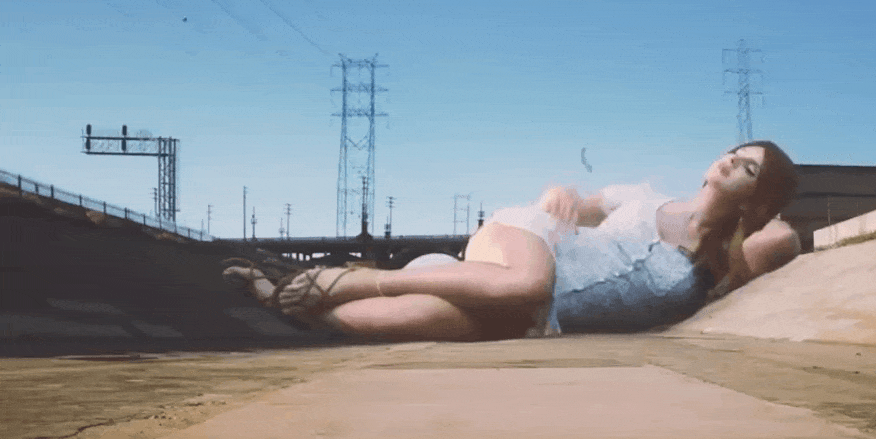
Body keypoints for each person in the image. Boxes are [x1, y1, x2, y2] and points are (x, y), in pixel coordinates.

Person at [223, 140, 800, 342]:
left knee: (433, 320)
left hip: (534, 311)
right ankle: (351, 278)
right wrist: (561, 189)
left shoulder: (724, 265)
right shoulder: (643, 196)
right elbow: (568, 201)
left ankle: (293, 303)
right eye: (734, 152)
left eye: (748, 168)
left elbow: (786, 239)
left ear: (757, 200)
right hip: (528, 245)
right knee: (529, 281)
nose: (731, 160)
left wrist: (754, 219)